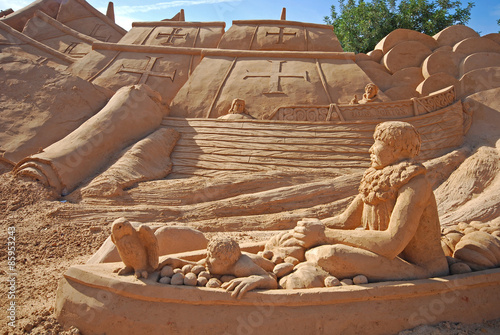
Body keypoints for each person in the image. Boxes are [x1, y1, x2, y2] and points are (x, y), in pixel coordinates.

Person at [283, 121, 449, 286]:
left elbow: (391, 243)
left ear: (397, 149)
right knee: (321, 252)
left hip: (420, 268)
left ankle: (416, 275)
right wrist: (301, 230)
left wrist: (322, 235)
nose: (370, 149)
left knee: (330, 255)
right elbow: (345, 221)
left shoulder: (416, 185)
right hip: (386, 257)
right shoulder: (380, 179)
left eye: (377, 143)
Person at [159, 237, 277, 298]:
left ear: (225, 262)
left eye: (210, 256)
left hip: (266, 268)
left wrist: (254, 280)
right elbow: (199, 266)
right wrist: (178, 262)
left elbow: (271, 281)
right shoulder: (218, 264)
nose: (206, 260)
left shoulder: (242, 267)